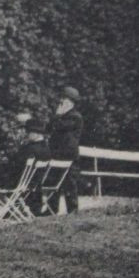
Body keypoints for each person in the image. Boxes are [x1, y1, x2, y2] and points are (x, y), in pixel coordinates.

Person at [45, 85, 84, 214]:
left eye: (64, 99)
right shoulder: (60, 115)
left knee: (70, 184)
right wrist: (57, 115)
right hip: (56, 153)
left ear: (71, 102)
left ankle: (72, 211)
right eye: (61, 99)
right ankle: (51, 210)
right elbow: (49, 128)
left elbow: (60, 127)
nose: (61, 102)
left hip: (69, 155)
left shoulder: (75, 116)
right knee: (53, 182)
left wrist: (57, 115)